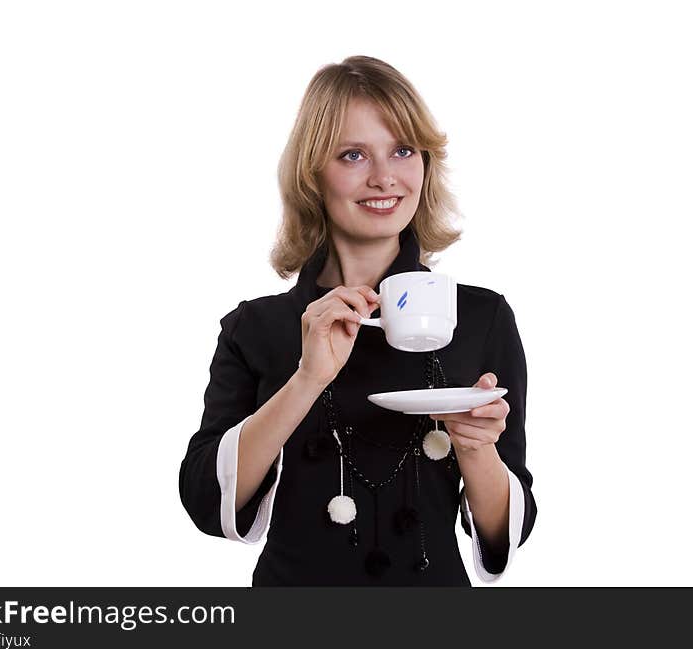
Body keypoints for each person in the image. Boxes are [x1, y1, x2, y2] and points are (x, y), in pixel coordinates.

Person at [179, 55, 537, 586]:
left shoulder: (482, 317)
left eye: (402, 150)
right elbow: (209, 503)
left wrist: (476, 448)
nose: (385, 177)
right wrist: (307, 380)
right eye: (353, 155)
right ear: (312, 174)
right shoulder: (255, 328)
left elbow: (505, 530)